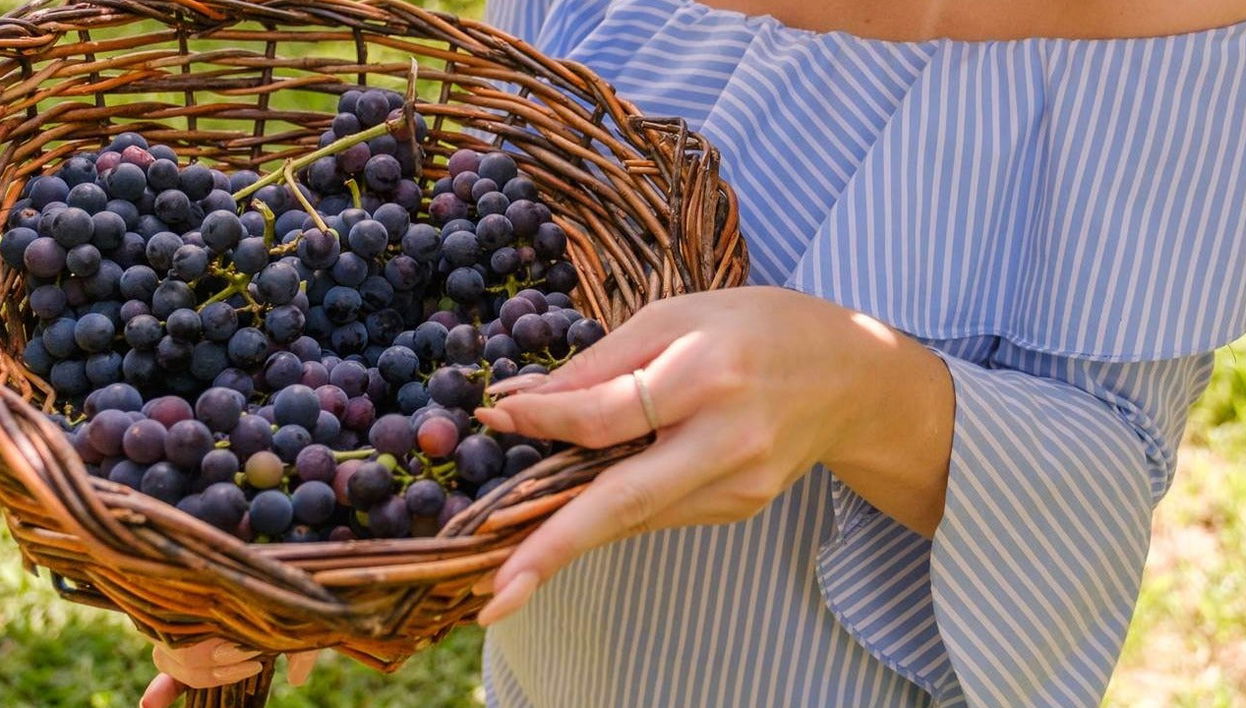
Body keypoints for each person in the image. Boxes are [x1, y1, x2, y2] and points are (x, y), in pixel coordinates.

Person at [142, 0, 1246, 705]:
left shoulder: (1167, 31)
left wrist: (863, 392)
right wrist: (304, 541)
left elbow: (1104, 481)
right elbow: (453, 310)